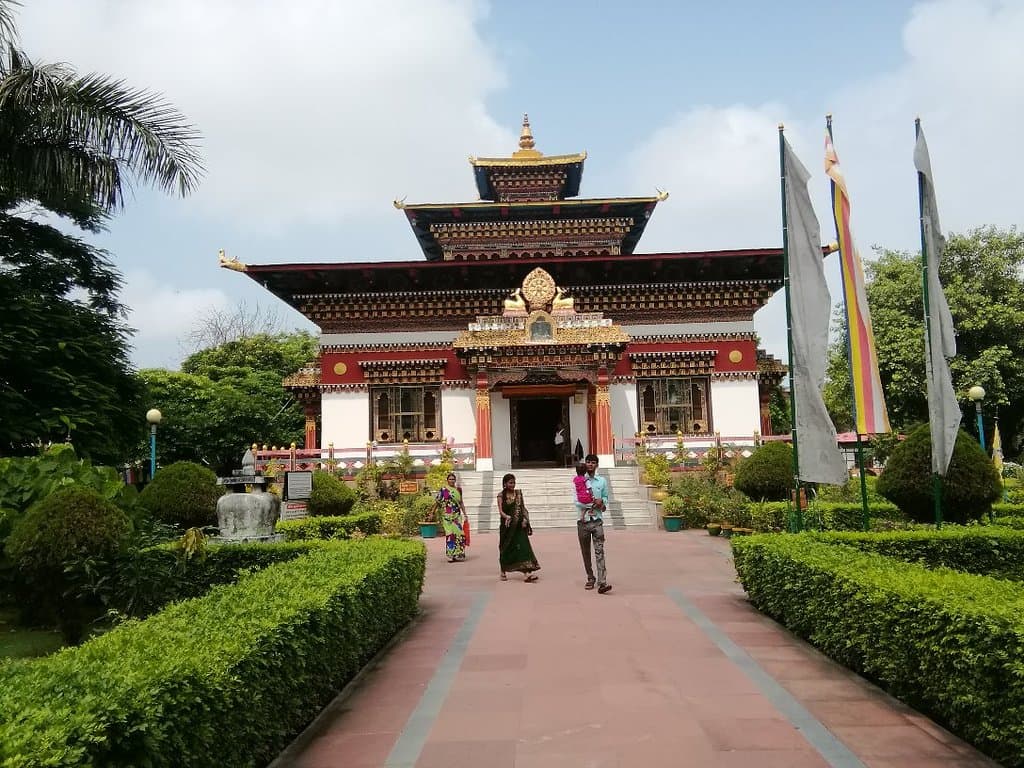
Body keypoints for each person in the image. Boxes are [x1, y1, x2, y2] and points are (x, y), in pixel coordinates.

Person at [575, 454, 611, 594]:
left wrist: (602, 503)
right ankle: (590, 577)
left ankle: (602, 582)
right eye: (588, 462)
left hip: (597, 521)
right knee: (585, 552)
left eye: (593, 462)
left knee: (599, 551)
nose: (590, 464)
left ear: (597, 465)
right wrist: (593, 502)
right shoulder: (579, 481)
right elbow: (577, 501)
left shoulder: (601, 481)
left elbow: (605, 497)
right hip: (582, 522)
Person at [497, 473, 540, 582]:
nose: (513, 485)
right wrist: (506, 516)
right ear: (505, 483)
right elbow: (501, 511)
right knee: (506, 548)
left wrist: (525, 519)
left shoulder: (519, 494)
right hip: (507, 527)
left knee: (523, 548)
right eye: (510, 483)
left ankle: (527, 574)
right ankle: (503, 570)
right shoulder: (501, 495)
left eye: (514, 482)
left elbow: (523, 508)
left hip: (519, 526)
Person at [434, 472, 467, 562]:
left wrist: (465, 514)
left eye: (453, 479)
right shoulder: (444, 490)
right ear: (447, 480)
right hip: (447, 516)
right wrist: (432, 512)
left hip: (457, 515)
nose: (452, 481)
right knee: (450, 535)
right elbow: (437, 501)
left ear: (455, 480)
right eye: (450, 479)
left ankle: (458, 554)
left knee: (459, 534)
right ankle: (450, 555)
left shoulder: (459, 490)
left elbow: (461, 502)